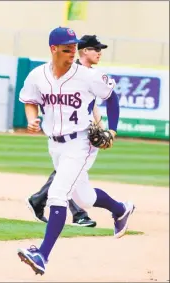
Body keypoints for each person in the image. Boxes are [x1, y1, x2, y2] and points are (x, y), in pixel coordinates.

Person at [17, 27, 135, 276]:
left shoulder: (88, 76)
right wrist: (32, 119)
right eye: (67, 47)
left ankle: (42, 255)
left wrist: (112, 130)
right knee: (84, 198)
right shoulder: (38, 75)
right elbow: (30, 99)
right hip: (55, 144)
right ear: (53, 49)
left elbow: (111, 97)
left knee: (58, 194)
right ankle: (120, 209)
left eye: (74, 46)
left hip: (81, 142)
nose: (72, 51)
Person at [27, 34, 112, 228]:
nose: (99, 53)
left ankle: (39, 201)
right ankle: (77, 213)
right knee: (70, 176)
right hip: (66, 133)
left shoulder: (89, 74)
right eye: (96, 49)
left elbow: (92, 105)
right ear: (84, 51)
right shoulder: (71, 72)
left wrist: (100, 125)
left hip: (82, 132)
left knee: (69, 174)